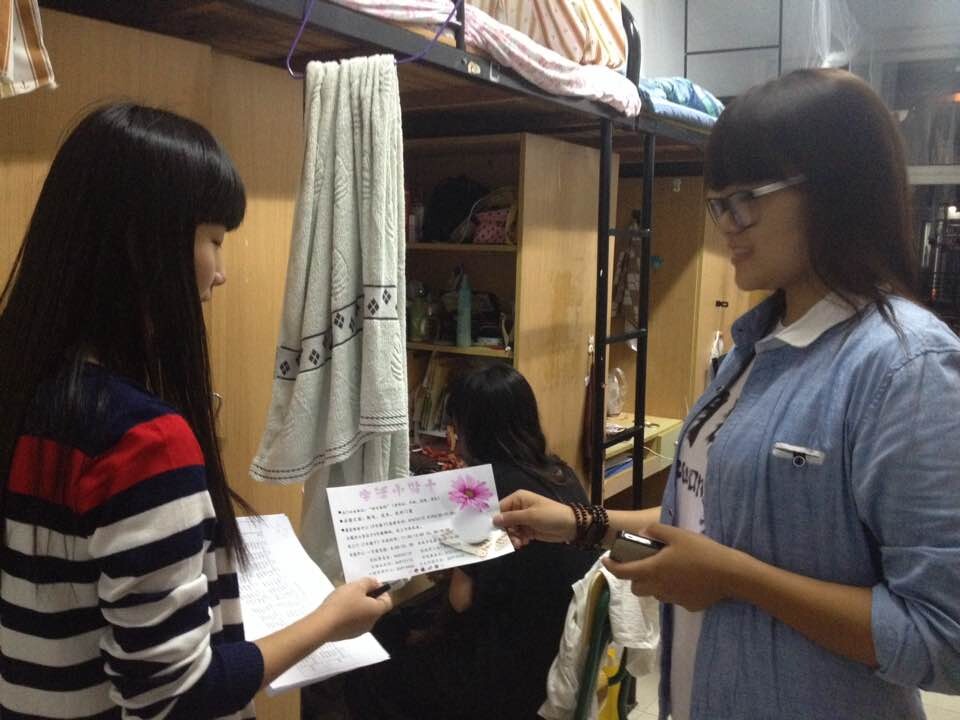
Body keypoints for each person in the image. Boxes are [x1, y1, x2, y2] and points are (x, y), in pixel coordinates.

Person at [495, 69, 960, 720]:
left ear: (836, 189)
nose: (726, 227)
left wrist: (734, 580)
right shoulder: (753, 347)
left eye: (745, 200)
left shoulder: (905, 367)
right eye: (719, 204)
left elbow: (943, 638)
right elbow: (705, 523)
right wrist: (578, 522)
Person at [0, 103, 392, 720]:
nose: (221, 273)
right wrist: (328, 621)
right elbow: (177, 697)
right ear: (142, 245)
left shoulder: (26, 390)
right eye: (213, 239)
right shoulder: (140, 440)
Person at [345, 363, 599, 719]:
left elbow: (460, 601)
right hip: (556, 659)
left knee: (375, 642)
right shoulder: (561, 473)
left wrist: (452, 566)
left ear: (469, 429)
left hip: (505, 682)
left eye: (456, 426)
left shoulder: (482, 488)